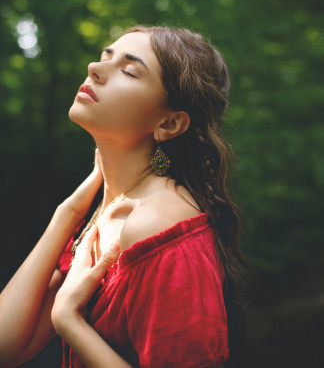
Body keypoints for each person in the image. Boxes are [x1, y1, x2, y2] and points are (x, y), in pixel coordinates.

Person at [0, 26, 254, 368]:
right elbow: (8, 345)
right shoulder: (103, 215)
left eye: (129, 70)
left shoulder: (160, 225)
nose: (94, 68)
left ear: (169, 123)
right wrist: (68, 213)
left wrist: (70, 322)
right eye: (106, 57)